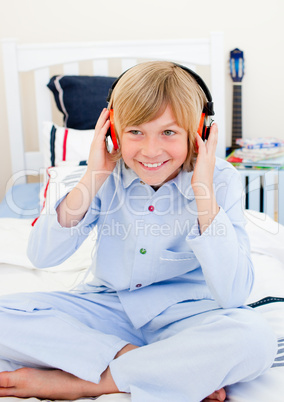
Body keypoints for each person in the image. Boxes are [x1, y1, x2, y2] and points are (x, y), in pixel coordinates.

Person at [0, 61, 277, 402]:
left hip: (189, 314)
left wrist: (203, 191)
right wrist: (94, 176)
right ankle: (156, 368)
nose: (150, 151)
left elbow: (234, 295)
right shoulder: (103, 174)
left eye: (169, 132)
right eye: (135, 132)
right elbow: (42, 255)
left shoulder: (220, 180)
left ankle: (92, 382)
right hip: (109, 309)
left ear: (200, 131)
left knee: (254, 340)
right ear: (113, 130)